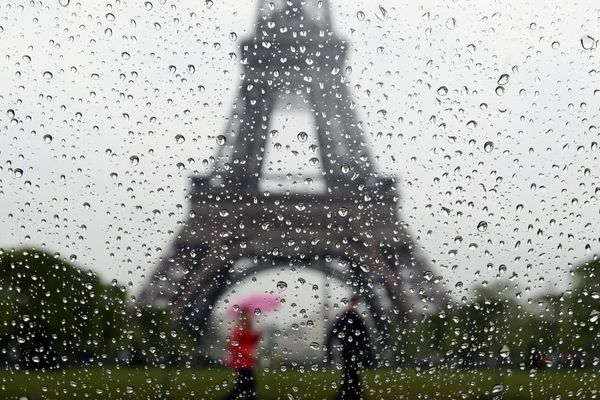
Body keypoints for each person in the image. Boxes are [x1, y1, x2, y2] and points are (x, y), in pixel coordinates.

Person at [326, 294, 374, 400]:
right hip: (350, 351)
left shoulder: (348, 317)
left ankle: (347, 394)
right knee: (352, 372)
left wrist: (329, 350)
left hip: (350, 350)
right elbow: (365, 337)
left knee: (350, 372)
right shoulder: (351, 318)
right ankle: (353, 394)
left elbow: (364, 337)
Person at [224, 308, 262, 400]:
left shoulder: (248, 330)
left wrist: (257, 335)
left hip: (248, 361)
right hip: (242, 361)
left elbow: (251, 343)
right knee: (248, 384)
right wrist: (247, 352)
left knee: (243, 385)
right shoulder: (238, 330)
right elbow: (233, 346)